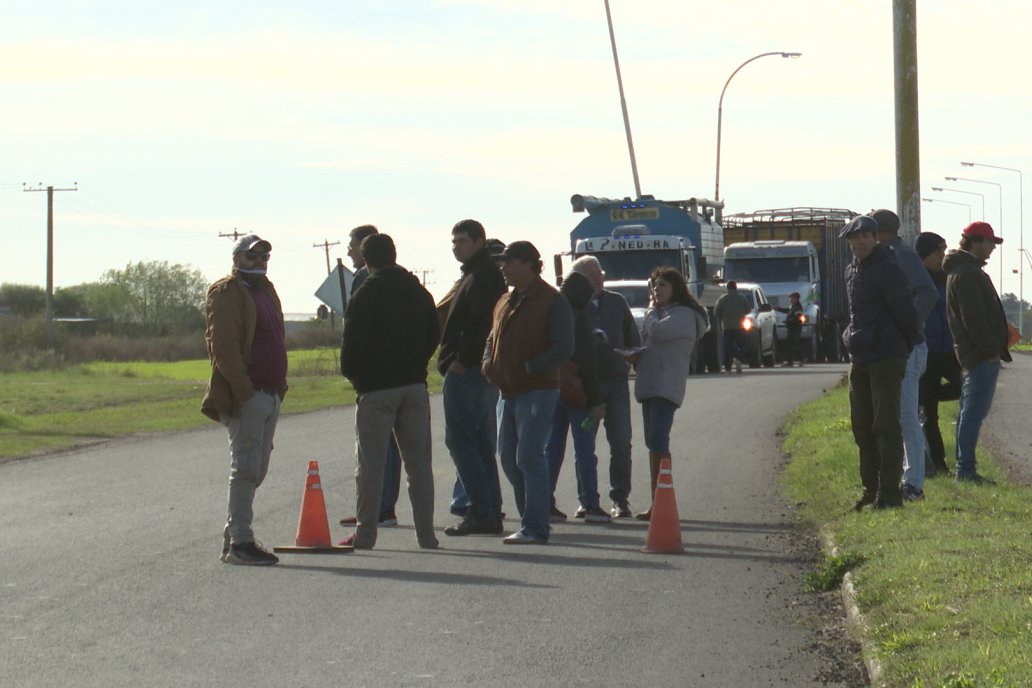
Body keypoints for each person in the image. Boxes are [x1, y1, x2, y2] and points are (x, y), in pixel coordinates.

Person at [340, 233, 440, 549]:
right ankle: (426, 535)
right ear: (394, 255)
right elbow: (433, 333)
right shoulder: (418, 291)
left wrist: (355, 377)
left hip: (376, 389)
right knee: (418, 464)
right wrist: (417, 363)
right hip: (413, 385)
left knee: (370, 466)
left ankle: (366, 534)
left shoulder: (366, 292)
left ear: (367, 260)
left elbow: (351, 343)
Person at [202, 234, 286, 566]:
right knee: (246, 468)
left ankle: (233, 537)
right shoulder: (226, 292)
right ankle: (241, 541)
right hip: (248, 396)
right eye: (252, 256)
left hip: (270, 393)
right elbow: (222, 345)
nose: (260, 261)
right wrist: (243, 388)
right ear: (236, 259)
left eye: (264, 255)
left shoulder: (265, 290)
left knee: (257, 469)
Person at [483, 241, 574, 544]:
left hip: (537, 390)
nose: (503, 268)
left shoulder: (551, 300)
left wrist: (532, 368)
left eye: (509, 263)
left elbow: (564, 346)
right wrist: (488, 364)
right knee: (508, 457)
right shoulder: (504, 301)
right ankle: (529, 521)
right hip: (507, 391)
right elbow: (491, 338)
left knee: (529, 457)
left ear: (529, 264)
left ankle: (536, 526)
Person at [840, 215, 919, 510]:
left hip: (887, 356)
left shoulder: (889, 269)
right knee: (861, 427)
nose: (859, 242)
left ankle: (889, 495)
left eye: (865, 236)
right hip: (860, 356)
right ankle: (870, 492)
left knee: (885, 425)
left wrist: (902, 346)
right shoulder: (851, 271)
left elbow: (907, 314)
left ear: (876, 239)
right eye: (854, 238)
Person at [437, 219, 507, 537]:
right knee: (478, 443)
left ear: (480, 242)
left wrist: (462, 361)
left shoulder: (483, 276)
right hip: (475, 372)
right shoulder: (473, 274)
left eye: (463, 241)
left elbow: (481, 326)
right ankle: (489, 510)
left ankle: (480, 509)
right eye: (454, 241)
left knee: (461, 440)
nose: (457, 246)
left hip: (470, 373)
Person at [869, 209, 938, 502]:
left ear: (881, 233)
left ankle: (915, 483)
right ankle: (906, 477)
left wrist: (910, 325)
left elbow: (928, 292)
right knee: (896, 414)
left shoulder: (902, 255)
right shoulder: (884, 256)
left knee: (907, 415)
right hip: (893, 346)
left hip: (909, 345)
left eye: (870, 233)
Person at [632, 267, 709, 521]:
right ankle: (657, 499)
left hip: (666, 385)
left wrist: (651, 312)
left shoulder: (683, 315)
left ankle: (662, 500)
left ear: (676, 287)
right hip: (649, 384)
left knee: (658, 439)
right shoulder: (657, 314)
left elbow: (659, 332)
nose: (657, 290)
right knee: (651, 441)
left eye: (663, 285)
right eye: (654, 286)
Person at [339, 224, 402, 528]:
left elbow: (356, 331)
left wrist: (353, 370)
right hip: (395, 375)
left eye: (352, 245)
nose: (349, 251)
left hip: (375, 379)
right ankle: (380, 506)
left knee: (375, 449)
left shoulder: (367, 280)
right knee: (387, 446)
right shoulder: (400, 279)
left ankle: (378, 508)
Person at [571, 255, 641, 518]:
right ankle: (587, 499)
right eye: (590, 274)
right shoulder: (573, 306)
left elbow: (632, 338)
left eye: (599, 272)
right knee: (585, 445)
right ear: (579, 279)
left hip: (616, 383)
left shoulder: (617, 302)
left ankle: (620, 499)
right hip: (585, 387)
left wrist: (632, 355)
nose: (597, 277)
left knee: (621, 443)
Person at [943, 221, 1012, 484]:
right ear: (975, 242)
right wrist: (991, 350)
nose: (992, 248)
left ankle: (965, 467)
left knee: (968, 411)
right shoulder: (968, 273)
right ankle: (966, 470)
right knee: (974, 411)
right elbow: (973, 319)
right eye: (990, 243)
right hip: (980, 354)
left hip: (973, 352)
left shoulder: (961, 271)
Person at [544, 270, 609, 523]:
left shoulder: (551, 314)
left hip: (552, 389)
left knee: (552, 449)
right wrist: (596, 402)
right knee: (584, 450)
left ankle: (545, 502)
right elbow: (587, 364)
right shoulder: (580, 320)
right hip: (578, 393)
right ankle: (590, 504)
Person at [914, 232, 961, 476]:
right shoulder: (915, 280)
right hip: (926, 352)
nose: (942, 256)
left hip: (950, 351)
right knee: (929, 414)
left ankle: (932, 394)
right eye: (937, 252)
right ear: (924, 255)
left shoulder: (948, 278)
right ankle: (939, 463)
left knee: (966, 390)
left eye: (944, 251)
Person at [714, 280, 751, 374]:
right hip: (740, 326)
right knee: (743, 345)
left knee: (727, 348)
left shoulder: (722, 299)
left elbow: (716, 312)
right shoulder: (742, 298)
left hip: (727, 327)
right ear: (736, 287)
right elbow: (748, 310)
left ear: (727, 288)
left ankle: (728, 368)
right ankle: (738, 357)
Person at [779, 292, 805, 368]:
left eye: (792, 298)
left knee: (793, 345)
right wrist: (778, 309)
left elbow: (798, 318)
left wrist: (788, 321)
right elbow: (788, 311)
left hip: (795, 329)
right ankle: (790, 362)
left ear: (796, 299)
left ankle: (802, 358)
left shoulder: (798, 307)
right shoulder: (793, 307)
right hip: (791, 328)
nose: (790, 300)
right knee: (790, 346)